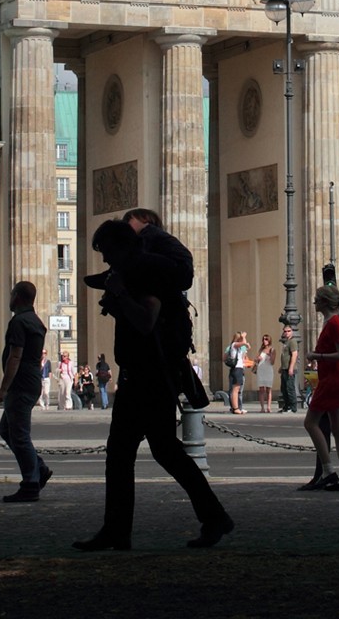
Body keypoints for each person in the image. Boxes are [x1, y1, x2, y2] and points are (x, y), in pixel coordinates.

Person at [74, 219, 233, 550]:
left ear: (119, 246)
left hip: (148, 377)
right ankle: (211, 516)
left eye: (105, 251)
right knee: (164, 452)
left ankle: (118, 530)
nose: (104, 259)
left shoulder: (140, 272)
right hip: (149, 375)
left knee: (124, 454)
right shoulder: (142, 267)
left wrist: (119, 295)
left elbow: (147, 320)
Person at [0, 280, 52, 502]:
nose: (9, 298)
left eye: (11, 294)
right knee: (7, 431)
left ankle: (30, 483)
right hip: (32, 381)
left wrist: (3, 388)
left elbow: (15, 356)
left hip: (20, 384)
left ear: (17, 296)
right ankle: (39, 469)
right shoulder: (36, 322)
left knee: (19, 435)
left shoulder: (19, 322)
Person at [302, 285, 339, 489]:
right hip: (337, 378)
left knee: (311, 422)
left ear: (324, 302)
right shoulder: (335, 322)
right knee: (338, 429)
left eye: (316, 299)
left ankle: (328, 470)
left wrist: (317, 356)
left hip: (333, 378)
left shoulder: (334, 323)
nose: (314, 302)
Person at [225, 331, 249, 414]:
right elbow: (244, 343)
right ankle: (235, 408)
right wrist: (243, 337)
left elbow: (245, 346)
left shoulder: (238, 347)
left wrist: (245, 344)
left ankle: (236, 407)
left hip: (238, 368)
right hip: (236, 369)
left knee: (237, 389)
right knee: (235, 389)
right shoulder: (234, 345)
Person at [278, 325, 300, 413]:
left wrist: (291, 368)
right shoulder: (286, 342)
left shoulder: (293, 341)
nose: (287, 333)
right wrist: (281, 367)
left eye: (289, 331)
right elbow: (285, 356)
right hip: (284, 368)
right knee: (284, 388)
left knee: (290, 387)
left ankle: (293, 407)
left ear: (292, 331)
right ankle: (287, 406)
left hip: (289, 369)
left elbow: (294, 355)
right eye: (285, 331)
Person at [254, 334, 276, 413]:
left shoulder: (272, 349)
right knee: (261, 389)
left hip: (268, 370)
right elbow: (255, 360)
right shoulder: (261, 349)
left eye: (266, 339)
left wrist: (270, 355)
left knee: (268, 389)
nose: (264, 341)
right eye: (263, 339)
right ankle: (262, 407)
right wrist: (257, 359)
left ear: (269, 340)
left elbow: (273, 362)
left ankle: (269, 407)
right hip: (261, 370)